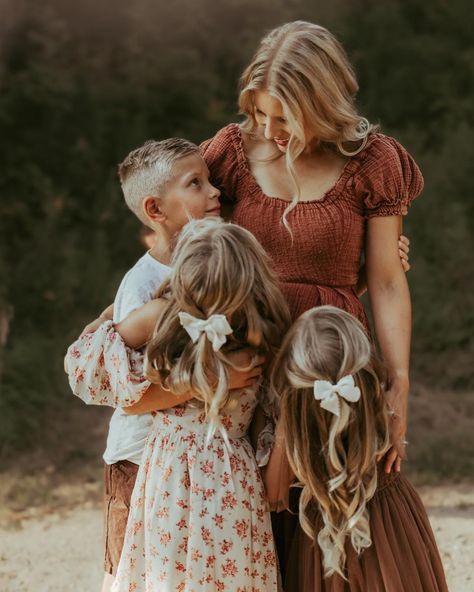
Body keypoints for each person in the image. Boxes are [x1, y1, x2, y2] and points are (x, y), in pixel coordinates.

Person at [199, 20, 422, 576]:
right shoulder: (228, 153)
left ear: (323, 103)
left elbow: (389, 281)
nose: (270, 130)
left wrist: (398, 383)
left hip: (332, 363)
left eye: (285, 117)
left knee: (348, 520)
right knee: (256, 517)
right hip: (250, 367)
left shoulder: (374, 162)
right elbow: (190, 249)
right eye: (261, 114)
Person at [65, 139, 262, 592]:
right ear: (156, 209)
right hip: (140, 457)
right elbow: (133, 398)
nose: (215, 192)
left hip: (189, 463)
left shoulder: (221, 270)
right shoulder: (145, 285)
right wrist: (213, 381)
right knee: (138, 574)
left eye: (211, 180)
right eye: (196, 184)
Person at [107, 218, 291, 591]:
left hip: (196, 472)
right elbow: (112, 388)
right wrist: (101, 323)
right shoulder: (166, 319)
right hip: (196, 474)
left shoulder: (258, 334)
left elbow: (281, 407)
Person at [264, 305, 448, 592]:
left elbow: (274, 496)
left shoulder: (299, 440)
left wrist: (286, 424)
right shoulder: (379, 419)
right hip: (391, 526)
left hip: (322, 541)